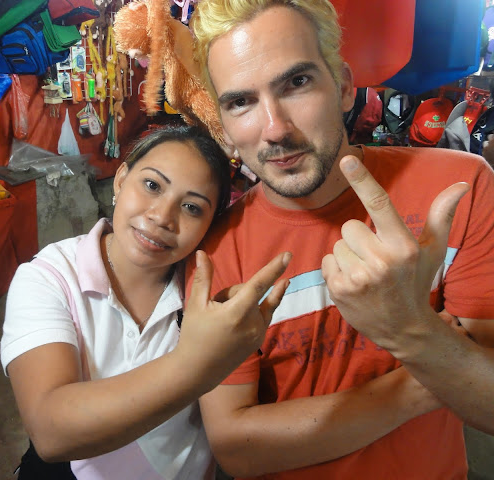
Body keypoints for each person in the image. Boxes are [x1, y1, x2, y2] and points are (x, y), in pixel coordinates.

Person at [186, 1, 494, 478]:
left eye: (297, 82)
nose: (275, 129)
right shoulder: (215, 252)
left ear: (346, 87)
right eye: (240, 102)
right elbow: (238, 450)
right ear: (223, 123)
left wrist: (407, 329)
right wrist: (430, 364)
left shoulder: (458, 189)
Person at [0, 124, 291, 480]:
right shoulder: (50, 278)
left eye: (191, 207)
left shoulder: (209, 294)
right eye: (152, 185)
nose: (161, 217)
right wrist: (198, 363)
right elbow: (50, 431)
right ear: (121, 179)